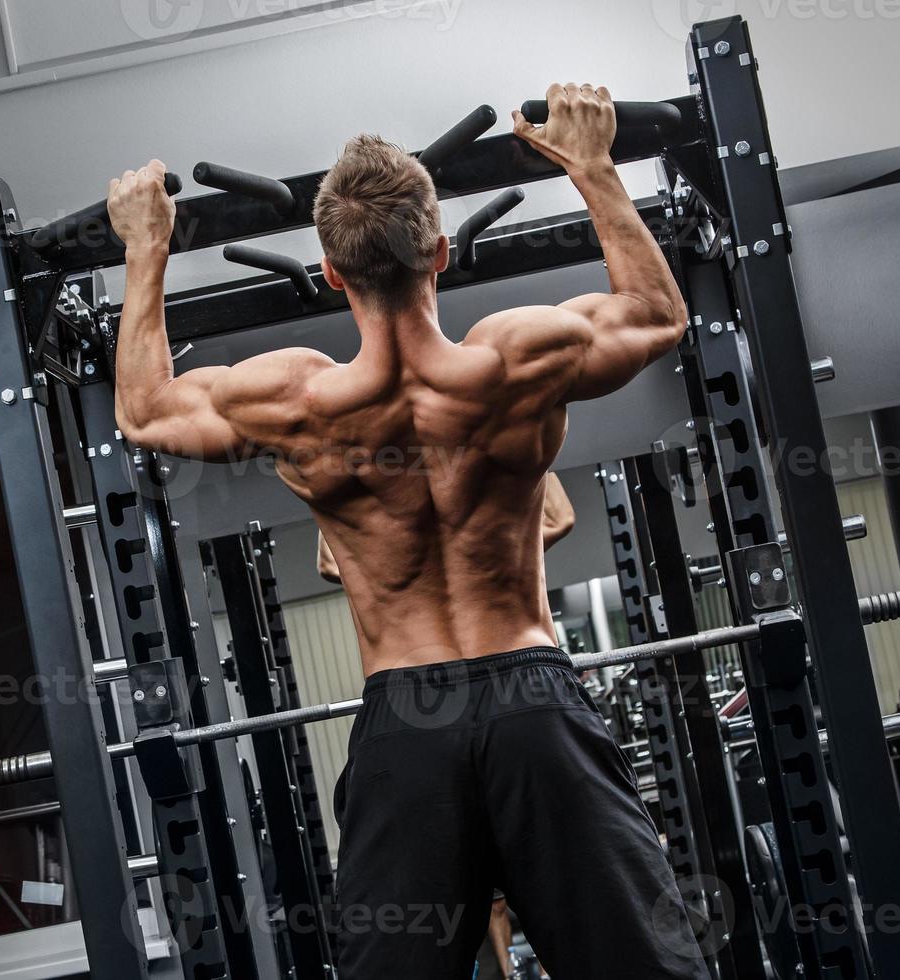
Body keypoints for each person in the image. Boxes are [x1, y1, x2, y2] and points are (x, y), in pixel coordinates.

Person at [108, 82, 707, 979]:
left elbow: (146, 411)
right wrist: (593, 169)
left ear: (333, 270)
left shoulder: (297, 398)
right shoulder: (514, 357)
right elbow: (658, 314)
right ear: (440, 252)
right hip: (533, 703)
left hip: (408, 723)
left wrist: (146, 250)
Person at [316, 472, 574, 583]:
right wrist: (533, 451)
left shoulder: (402, 568)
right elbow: (559, 521)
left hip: (425, 667)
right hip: (502, 654)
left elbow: (330, 566)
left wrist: (329, 490)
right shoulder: (487, 553)